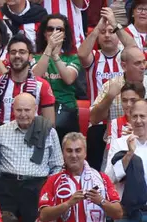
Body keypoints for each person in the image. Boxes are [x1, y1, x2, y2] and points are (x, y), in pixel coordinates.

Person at [0, 93, 63, 222]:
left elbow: (57, 166)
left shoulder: (49, 131)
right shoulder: (2, 131)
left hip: (36, 187)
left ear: (35, 109)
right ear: (13, 109)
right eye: (19, 110)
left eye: (27, 110)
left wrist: (47, 187)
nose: (23, 114)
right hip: (7, 187)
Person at [79, 7, 137, 169]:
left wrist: (115, 25)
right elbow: (82, 54)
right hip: (99, 121)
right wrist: (98, 27)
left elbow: (134, 49)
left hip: (125, 119)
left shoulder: (125, 57)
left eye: (110, 31)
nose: (106, 35)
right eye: (102, 32)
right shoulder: (95, 57)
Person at [0, 34, 56, 146]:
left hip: (31, 143)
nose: (17, 55)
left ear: (30, 57)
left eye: (22, 52)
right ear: (8, 56)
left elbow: (49, 124)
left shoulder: (42, 85)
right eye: (13, 52)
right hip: (1, 143)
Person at [105, 100, 147, 222]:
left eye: (143, 116)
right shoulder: (120, 143)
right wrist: (129, 154)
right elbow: (109, 178)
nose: (138, 120)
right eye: (134, 116)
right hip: (126, 216)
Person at [31, 14, 81, 141]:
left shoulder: (73, 58)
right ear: (44, 33)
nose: (54, 32)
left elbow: (69, 78)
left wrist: (55, 56)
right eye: (50, 29)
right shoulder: (34, 58)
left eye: (59, 29)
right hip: (40, 111)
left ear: (65, 35)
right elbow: (34, 77)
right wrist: (49, 49)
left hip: (66, 111)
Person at [89, 46, 147, 131]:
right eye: (137, 63)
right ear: (124, 66)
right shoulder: (109, 86)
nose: (143, 67)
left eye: (144, 62)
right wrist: (109, 96)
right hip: (116, 137)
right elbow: (94, 119)